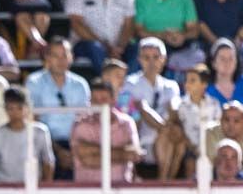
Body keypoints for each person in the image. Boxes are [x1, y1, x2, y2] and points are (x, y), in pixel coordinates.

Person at [24, 36, 90, 179]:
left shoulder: (80, 84)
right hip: (45, 143)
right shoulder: (34, 82)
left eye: (65, 55)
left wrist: (73, 149)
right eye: (55, 55)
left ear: (71, 57)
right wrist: (58, 150)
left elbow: (85, 119)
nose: (61, 60)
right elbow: (33, 120)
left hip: (76, 144)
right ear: (47, 58)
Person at [119, 37, 179, 176]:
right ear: (139, 59)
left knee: (175, 132)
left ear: (163, 59)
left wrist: (166, 127)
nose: (151, 62)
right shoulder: (128, 84)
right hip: (138, 133)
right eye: (146, 58)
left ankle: (166, 179)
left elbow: (174, 111)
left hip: (165, 137)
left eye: (156, 57)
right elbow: (128, 113)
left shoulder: (171, 86)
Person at [70, 78, 141, 183]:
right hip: (86, 191)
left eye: (103, 99)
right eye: (95, 100)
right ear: (89, 101)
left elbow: (134, 154)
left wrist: (95, 152)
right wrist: (122, 154)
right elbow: (87, 160)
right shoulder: (80, 124)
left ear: (114, 99)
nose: (99, 104)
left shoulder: (126, 123)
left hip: (123, 189)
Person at [158, 63, 220, 179]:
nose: (187, 84)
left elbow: (217, 128)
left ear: (204, 84)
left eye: (192, 81)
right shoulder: (180, 106)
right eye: (186, 80)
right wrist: (192, 147)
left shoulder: (214, 104)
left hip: (210, 148)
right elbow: (177, 128)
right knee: (189, 161)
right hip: (189, 147)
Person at [0, 86, 55, 183]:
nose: (15, 113)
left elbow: (48, 162)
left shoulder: (40, 132)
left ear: (27, 108)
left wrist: (45, 190)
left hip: (31, 188)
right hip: (1, 188)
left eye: (19, 108)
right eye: (11, 108)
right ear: (5, 109)